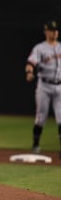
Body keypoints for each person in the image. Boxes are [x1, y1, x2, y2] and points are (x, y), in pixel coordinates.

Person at [25, 19, 61, 158]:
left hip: (59, 86)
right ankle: (35, 144)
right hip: (44, 86)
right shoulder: (39, 48)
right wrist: (29, 72)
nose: (55, 32)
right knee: (40, 117)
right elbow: (30, 63)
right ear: (46, 32)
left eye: (56, 30)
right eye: (52, 30)